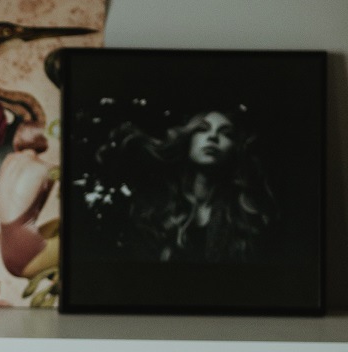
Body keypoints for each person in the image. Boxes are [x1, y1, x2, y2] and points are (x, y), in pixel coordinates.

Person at [94, 108, 274, 263]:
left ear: (235, 150)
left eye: (226, 134)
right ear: (188, 141)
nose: (213, 137)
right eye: (202, 129)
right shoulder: (154, 207)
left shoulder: (248, 214)